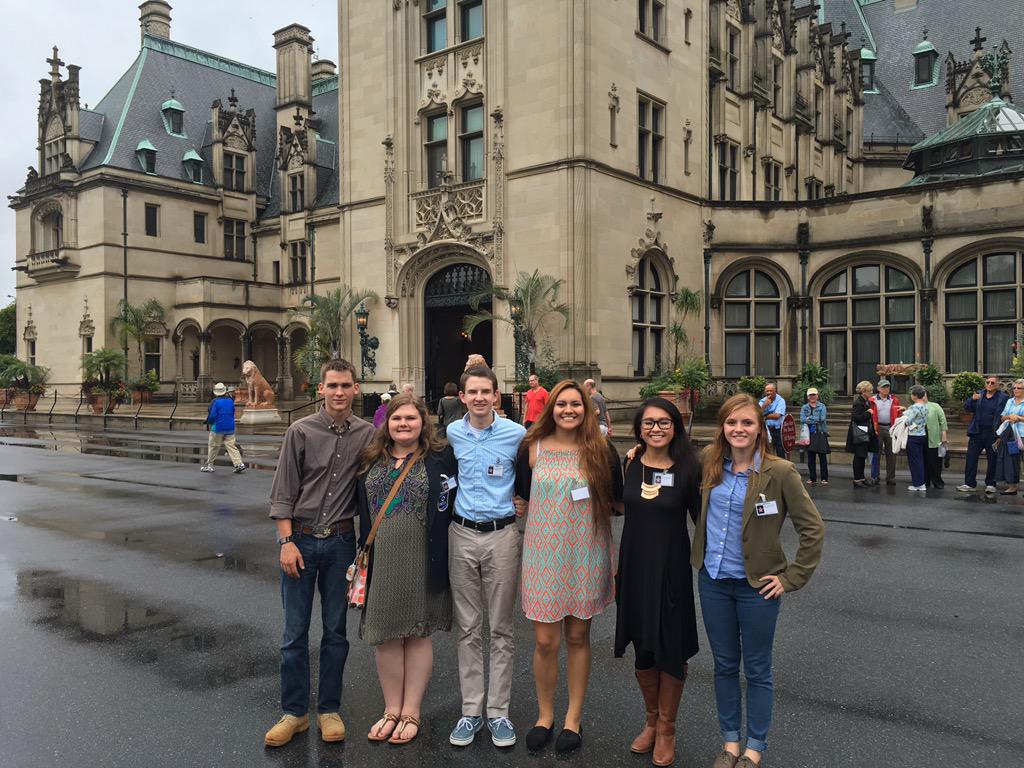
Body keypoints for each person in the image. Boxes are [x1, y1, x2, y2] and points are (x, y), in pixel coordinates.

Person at [692, 394, 824, 768]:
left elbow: (813, 528)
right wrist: (637, 451)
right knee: (723, 665)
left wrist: (792, 577)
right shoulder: (708, 461)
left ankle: (754, 748)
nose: (739, 429)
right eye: (731, 422)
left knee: (757, 669)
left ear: (759, 428)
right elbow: (668, 465)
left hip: (757, 587)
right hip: (714, 582)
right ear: (722, 427)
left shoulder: (779, 472)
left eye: (747, 422)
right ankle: (730, 744)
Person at [264, 359, 376, 748]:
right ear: (321, 389)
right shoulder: (301, 431)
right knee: (294, 632)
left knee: (335, 631)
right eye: (332, 385)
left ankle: (329, 709)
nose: (339, 392)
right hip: (301, 539)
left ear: (356, 389)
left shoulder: (367, 434)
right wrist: (286, 542)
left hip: (342, 542)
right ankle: (294, 713)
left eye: (345, 385)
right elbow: (283, 492)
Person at [515, 380, 623, 754]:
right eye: (562, 404)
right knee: (546, 641)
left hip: (585, 552)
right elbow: (521, 495)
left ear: (587, 409)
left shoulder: (601, 450)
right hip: (543, 554)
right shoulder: (532, 446)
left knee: (578, 637)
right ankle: (544, 715)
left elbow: (619, 500)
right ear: (551, 408)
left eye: (576, 404)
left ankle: (573, 718)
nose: (568, 410)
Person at [356, 394, 457, 745]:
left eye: (411, 418)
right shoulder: (371, 458)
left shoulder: (441, 457)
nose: (404, 424)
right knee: (385, 634)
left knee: (417, 633)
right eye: (397, 418)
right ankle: (391, 709)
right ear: (387, 423)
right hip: (382, 556)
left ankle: (411, 711)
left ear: (423, 422)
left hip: (423, 555)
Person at [614, 398, 700, 766]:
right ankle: (651, 720)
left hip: (671, 570)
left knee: (671, 647)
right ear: (639, 428)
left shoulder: (689, 468)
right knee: (644, 646)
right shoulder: (631, 462)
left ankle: (667, 728)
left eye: (664, 422)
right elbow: (621, 507)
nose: (656, 429)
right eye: (649, 422)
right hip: (634, 567)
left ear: (675, 427)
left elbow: (703, 520)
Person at [445, 365, 526, 748]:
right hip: (461, 534)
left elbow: (536, 467)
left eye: (486, 392)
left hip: (502, 535)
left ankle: (498, 712)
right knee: (467, 627)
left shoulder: (516, 434)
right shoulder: (453, 433)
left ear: (496, 395)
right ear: (463, 397)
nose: (479, 398)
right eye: (472, 392)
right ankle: (471, 710)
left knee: (501, 628)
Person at [957, 376, 1008, 494]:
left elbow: (1006, 414)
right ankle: (969, 483)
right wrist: (972, 399)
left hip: (993, 433)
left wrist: (1001, 434)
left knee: (993, 459)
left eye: (992, 383)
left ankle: (991, 484)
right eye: (988, 382)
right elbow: (967, 408)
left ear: (998, 385)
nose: (989, 384)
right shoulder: (979, 394)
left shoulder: (1003, 397)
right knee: (971, 458)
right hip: (977, 432)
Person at [202, 382, 245, 473]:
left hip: (218, 427)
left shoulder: (215, 402)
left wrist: (208, 421)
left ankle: (209, 465)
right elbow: (232, 412)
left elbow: (212, 415)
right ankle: (239, 464)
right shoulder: (230, 401)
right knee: (231, 446)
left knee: (213, 446)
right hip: (230, 427)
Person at [845, 381, 878, 487]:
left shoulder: (866, 401)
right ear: (864, 392)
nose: (871, 392)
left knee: (862, 456)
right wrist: (868, 413)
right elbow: (855, 417)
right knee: (859, 457)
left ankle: (861, 478)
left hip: (864, 432)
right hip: (859, 433)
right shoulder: (858, 402)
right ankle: (857, 479)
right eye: (870, 391)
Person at [869, 379, 901, 486]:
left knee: (891, 454)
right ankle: (875, 476)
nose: (886, 389)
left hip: (890, 428)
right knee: (876, 453)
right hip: (877, 428)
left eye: (887, 387)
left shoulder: (894, 400)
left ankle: (890, 477)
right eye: (883, 387)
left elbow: (898, 414)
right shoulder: (872, 400)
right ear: (878, 388)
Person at [997, 379, 1024, 495]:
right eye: (1014, 388)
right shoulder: (1010, 401)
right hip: (1011, 436)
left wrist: (1018, 418)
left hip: (1023, 435)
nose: (1016, 390)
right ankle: (1012, 487)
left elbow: (1019, 418)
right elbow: (1002, 417)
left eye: (1019, 388)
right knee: (1012, 461)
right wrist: (1009, 417)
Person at [799, 388, 829, 485]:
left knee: (822, 456)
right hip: (809, 434)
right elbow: (802, 419)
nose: (812, 397)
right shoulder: (804, 407)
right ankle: (812, 478)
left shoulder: (822, 406)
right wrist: (814, 419)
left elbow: (822, 418)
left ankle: (824, 478)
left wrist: (809, 418)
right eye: (810, 395)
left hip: (820, 433)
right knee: (811, 457)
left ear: (817, 396)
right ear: (808, 397)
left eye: (814, 395)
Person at [902, 385, 930, 492]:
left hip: (913, 435)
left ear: (915, 396)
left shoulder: (914, 407)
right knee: (920, 460)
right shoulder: (925, 406)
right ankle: (921, 482)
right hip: (922, 434)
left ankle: (918, 484)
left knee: (914, 461)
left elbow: (908, 421)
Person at [923, 391, 949, 489]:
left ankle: (937, 481)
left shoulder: (935, 406)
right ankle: (925, 481)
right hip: (920, 436)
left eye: (924, 394)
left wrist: (944, 434)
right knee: (923, 459)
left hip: (934, 436)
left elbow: (943, 420)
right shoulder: (914, 407)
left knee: (935, 460)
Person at [758, 383, 787, 459]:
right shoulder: (763, 401)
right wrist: (764, 406)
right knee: (767, 451)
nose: (769, 393)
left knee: (780, 452)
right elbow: (757, 414)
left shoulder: (780, 400)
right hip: (766, 429)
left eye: (771, 391)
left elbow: (777, 416)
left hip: (778, 429)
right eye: (767, 391)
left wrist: (764, 416)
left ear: (775, 391)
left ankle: (781, 466)